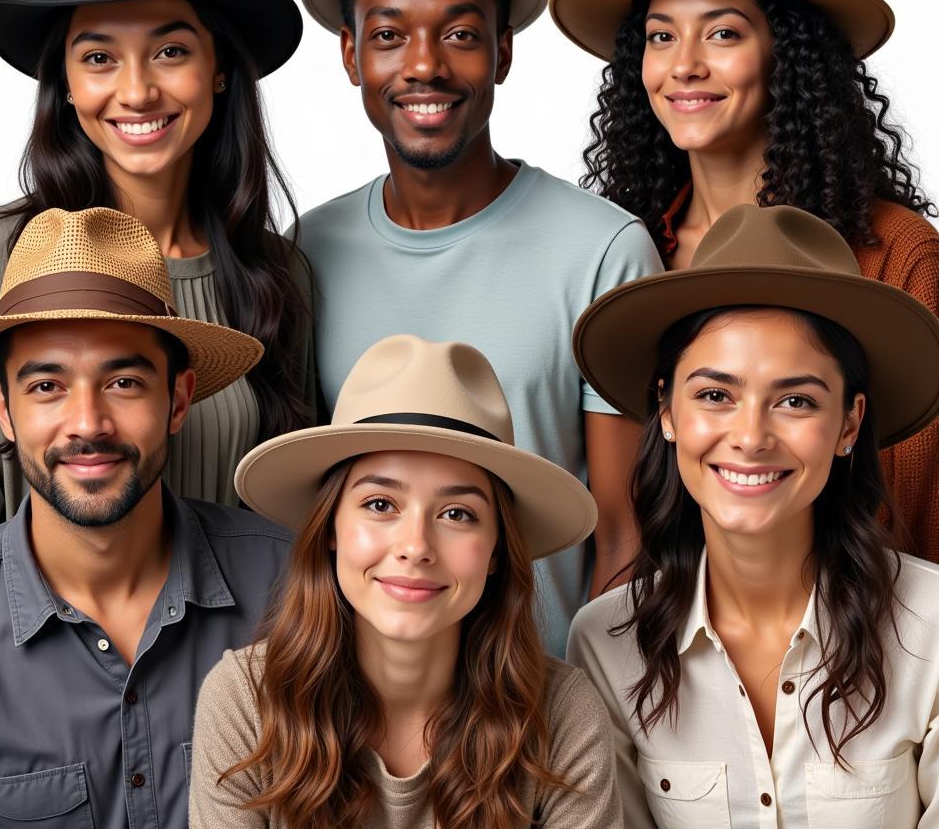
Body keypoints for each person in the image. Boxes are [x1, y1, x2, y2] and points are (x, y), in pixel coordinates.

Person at [296, 0, 662, 653]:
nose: (424, 65)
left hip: (536, 715)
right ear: (352, 56)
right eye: (390, 36)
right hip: (357, 719)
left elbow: (624, 541)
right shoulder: (307, 252)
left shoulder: (604, 252)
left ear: (502, 52)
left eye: (459, 35)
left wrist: (578, 720)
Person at [550, 0, 939, 564]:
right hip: (648, 646)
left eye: (723, 33)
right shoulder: (616, 252)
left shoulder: (895, 256)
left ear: (787, 56)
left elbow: (918, 511)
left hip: (856, 645)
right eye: (660, 36)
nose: (684, 66)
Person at [0, 0, 313, 564]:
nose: (136, 90)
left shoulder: (276, 275)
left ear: (218, 69)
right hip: (39, 662)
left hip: (240, 659)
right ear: (66, 83)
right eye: (99, 56)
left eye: (170, 51)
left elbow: (293, 527)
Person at [0, 207, 291, 827]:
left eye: (123, 383)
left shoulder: (295, 589)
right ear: (2, 410)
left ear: (178, 398)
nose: (88, 423)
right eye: (46, 387)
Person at [566, 204, 939, 827]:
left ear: (849, 422)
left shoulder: (932, 628)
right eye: (716, 395)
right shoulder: (606, 645)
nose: (751, 436)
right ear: (666, 410)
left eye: (795, 400)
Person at [189, 333, 623, 828]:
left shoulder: (564, 714)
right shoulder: (246, 700)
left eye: (458, 513)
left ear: (498, 549)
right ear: (331, 528)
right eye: (380, 505)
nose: (415, 546)